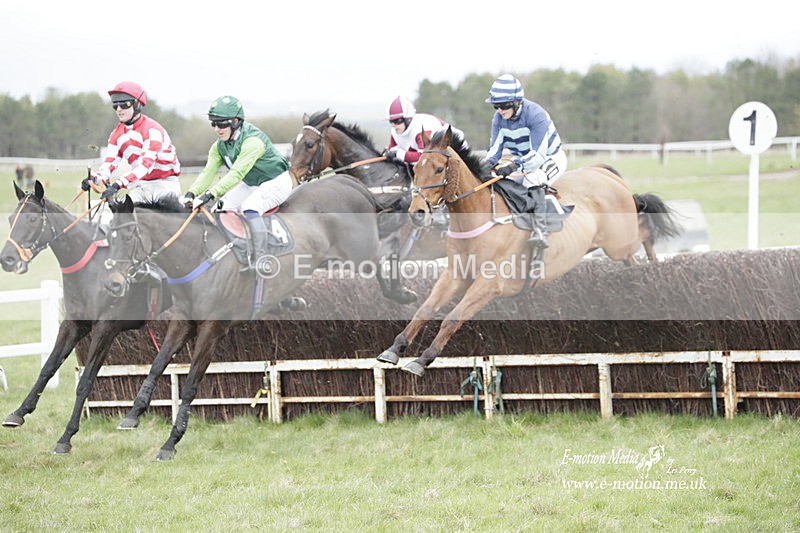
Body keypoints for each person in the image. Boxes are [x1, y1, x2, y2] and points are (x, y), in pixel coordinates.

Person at [182, 95, 291, 272]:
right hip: (251, 184)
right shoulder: (218, 146)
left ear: (235, 121)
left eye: (221, 124)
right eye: (213, 124)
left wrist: (210, 194)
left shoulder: (253, 141)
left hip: (276, 181)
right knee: (217, 209)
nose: (217, 129)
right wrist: (191, 193)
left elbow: (236, 174)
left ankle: (262, 259)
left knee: (249, 207)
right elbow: (208, 172)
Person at [485, 74, 568, 247]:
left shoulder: (536, 115)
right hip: (522, 159)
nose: (500, 110)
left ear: (517, 102)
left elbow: (537, 156)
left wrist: (513, 166)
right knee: (495, 179)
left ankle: (540, 230)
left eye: (504, 105)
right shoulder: (498, 119)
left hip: (549, 158)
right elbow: (493, 152)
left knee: (533, 178)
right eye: (496, 106)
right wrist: (485, 167)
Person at [82, 81, 181, 202]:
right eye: (115, 105)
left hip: (165, 186)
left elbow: (145, 165)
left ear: (137, 105)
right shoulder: (116, 135)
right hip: (142, 186)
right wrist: (95, 178)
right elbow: (109, 164)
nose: (119, 109)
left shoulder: (153, 130)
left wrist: (118, 184)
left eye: (125, 104)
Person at [383, 96, 448, 167]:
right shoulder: (395, 130)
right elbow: (393, 148)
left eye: (397, 121)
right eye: (391, 121)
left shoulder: (421, 130)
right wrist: (387, 152)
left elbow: (424, 157)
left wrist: (398, 154)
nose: (393, 125)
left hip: (449, 144)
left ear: (408, 119)